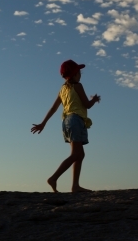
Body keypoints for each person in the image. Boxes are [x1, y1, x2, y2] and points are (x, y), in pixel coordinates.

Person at [31, 60, 101, 193]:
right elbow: (87, 104)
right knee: (76, 154)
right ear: (74, 74)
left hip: (67, 122)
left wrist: (43, 123)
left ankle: (75, 186)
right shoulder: (78, 86)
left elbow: (54, 108)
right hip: (76, 121)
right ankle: (54, 178)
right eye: (79, 72)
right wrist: (94, 99)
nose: (80, 75)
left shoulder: (63, 89)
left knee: (79, 154)